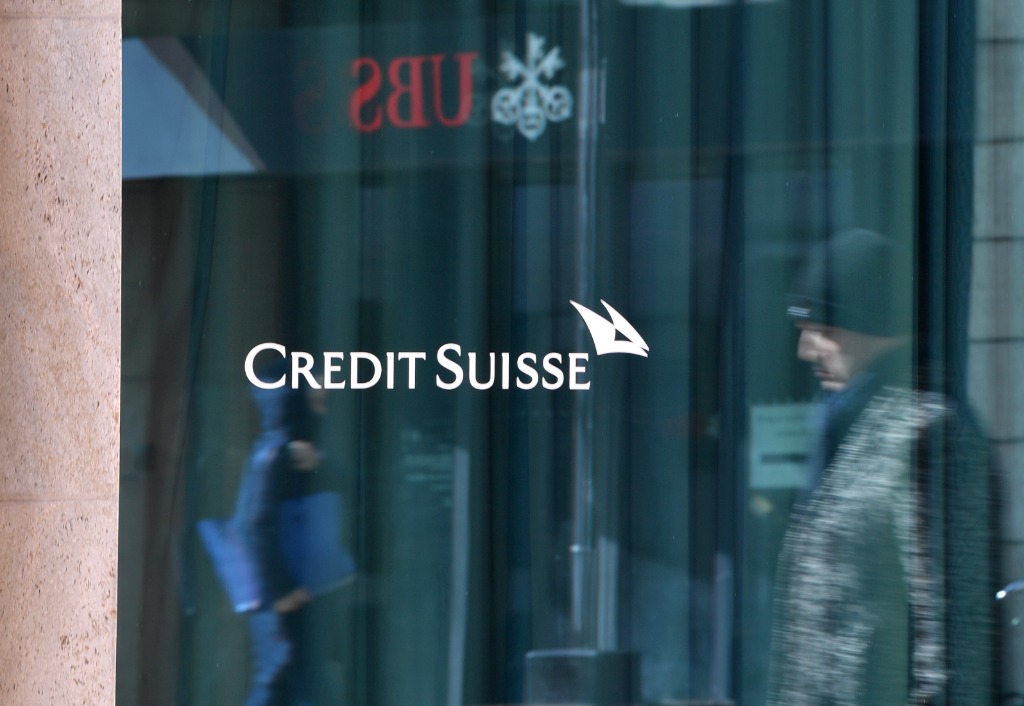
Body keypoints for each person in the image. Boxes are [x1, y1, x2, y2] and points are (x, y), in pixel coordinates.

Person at [768, 229, 996, 705]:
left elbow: (953, 629)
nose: (807, 350)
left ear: (875, 326)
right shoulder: (855, 423)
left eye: (824, 330)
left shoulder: (927, 431)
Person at [232, 360, 325, 706]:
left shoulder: (282, 451)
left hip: (281, 597)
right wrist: (280, 590)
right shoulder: (275, 454)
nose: (323, 405)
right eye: (315, 395)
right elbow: (251, 525)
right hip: (279, 601)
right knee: (276, 681)